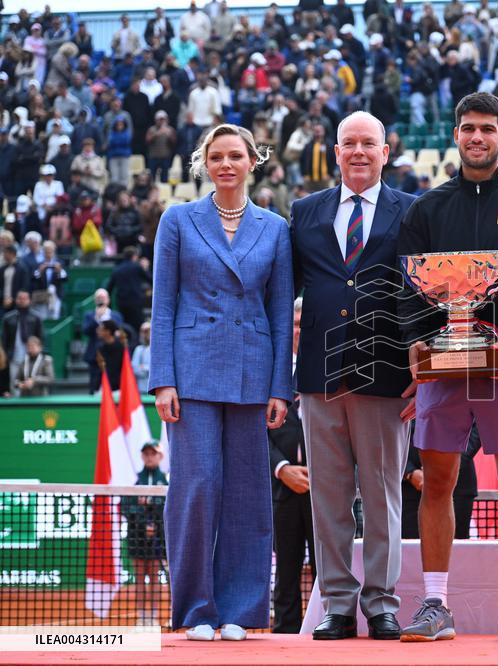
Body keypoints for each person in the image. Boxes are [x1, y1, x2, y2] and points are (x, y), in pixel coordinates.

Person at [397, 92, 498, 643]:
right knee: (437, 480)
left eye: (487, 128)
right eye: (468, 128)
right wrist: (417, 342)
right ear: (455, 136)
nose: (477, 137)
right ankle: (435, 603)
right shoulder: (426, 209)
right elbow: (407, 289)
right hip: (443, 366)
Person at [149, 124, 293, 642]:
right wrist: (162, 379)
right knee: (197, 485)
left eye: (236, 156)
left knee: (249, 494)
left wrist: (281, 387)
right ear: (203, 163)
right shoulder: (178, 219)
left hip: (254, 374)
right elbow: (163, 305)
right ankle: (195, 610)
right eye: (217, 156)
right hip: (191, 374)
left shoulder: (275, 227)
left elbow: (280, 314)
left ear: (253, 161)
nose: (227, 164)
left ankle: (241, 609)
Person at [290, 111, 416, 642]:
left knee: (384, 494)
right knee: (328, 497)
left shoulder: (413, 211)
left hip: (387, 376)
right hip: (320, 376)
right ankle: (337, 604)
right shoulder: (303, 212)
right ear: (335, 152)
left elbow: (425, 292)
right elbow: (285, 295)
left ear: (386, 152)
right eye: (349, 144)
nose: (359, 151)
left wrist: (424, 366)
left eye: (369, 143)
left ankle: (382, 603)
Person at [268, 300, 314, 635]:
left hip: (323, 487)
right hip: (282, 489)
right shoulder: (272, 370)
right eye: (293, 322)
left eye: (303, 322)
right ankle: (284, 633)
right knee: (285, 570)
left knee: (326, 570)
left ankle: (325, 628)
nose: (297, 328)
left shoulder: (325, 365)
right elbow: (255, 430)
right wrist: (282, 468)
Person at [121, 442, 169, 627]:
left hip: (158, 538)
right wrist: (143, 523)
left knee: (155, 576)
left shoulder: (165, 481)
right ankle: (142, 616)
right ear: (142, 456)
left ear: (160, 457)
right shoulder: (134, 480)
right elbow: (127, 507)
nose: (150, 457)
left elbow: (167, 508)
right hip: (137, 537)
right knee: (140, 577)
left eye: (153, 453)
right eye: (146, 454)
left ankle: (154, 616)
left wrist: (154, 523)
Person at [83, 289, 123, 394]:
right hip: (95, 355)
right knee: (94, 383)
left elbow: (119, 331)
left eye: (103, 297)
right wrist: (97, 318)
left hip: (113, 355)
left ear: (108, 300)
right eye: (98, 298)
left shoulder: (116, 315)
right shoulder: (89, 315)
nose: (101, 300)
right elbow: (86, 331)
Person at [2, 291, 44, 388]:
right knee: (15, 385)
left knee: (32, 385)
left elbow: (40, 337)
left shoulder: (36, 317)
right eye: (20, 298)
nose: (22, 301)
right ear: (16, 300)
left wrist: (37, 351)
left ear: (29, 300)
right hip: (14, 357)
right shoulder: (8, 318)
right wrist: (7, 355)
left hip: (32, 358)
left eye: (25, 298)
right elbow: (4, 340)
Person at [107, 246, 152, 335]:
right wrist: (146, 268)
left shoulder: (117, 270)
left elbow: (109, 288)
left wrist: (110, 306)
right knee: (138, 325)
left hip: (122, 303)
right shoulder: (137, 267)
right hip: (136, 302)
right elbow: (150, 279)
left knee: (124, 327)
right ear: (134, 256)